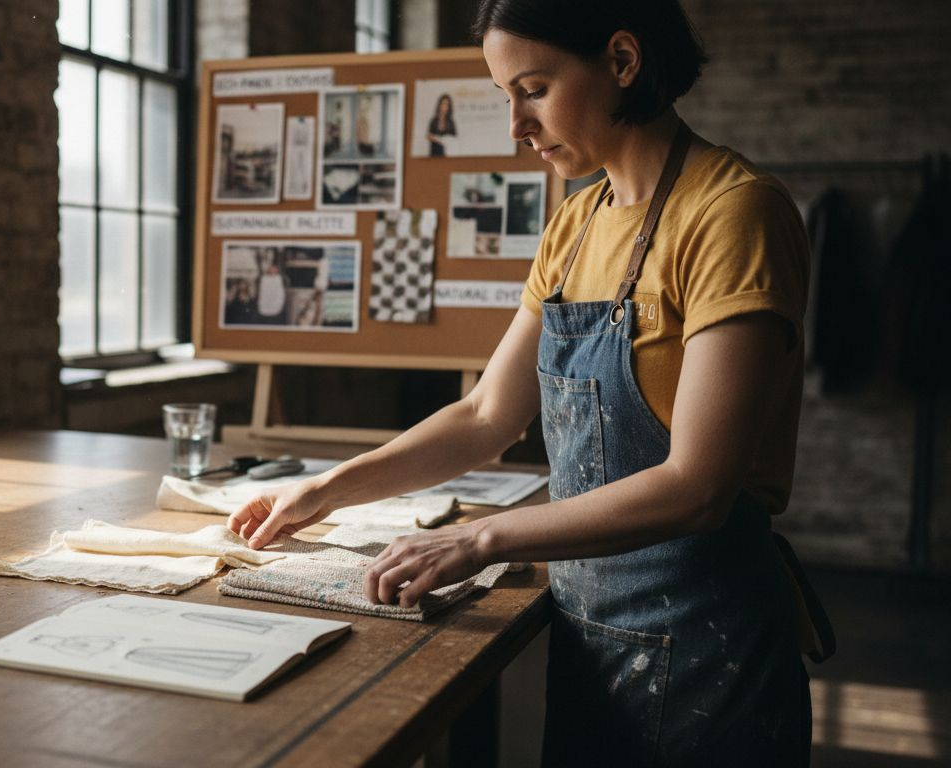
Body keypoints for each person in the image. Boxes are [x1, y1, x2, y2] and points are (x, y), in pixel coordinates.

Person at [228, 0, 817, 763]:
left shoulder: (734, 214)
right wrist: (328, 488)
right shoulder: (576, 223)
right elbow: (485, 414)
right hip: (591, 637)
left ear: (623, 61)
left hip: (711, 647)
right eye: (506, 96)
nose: (517, 126)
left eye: (533, 90)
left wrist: (481, 539)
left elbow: (696, 485)